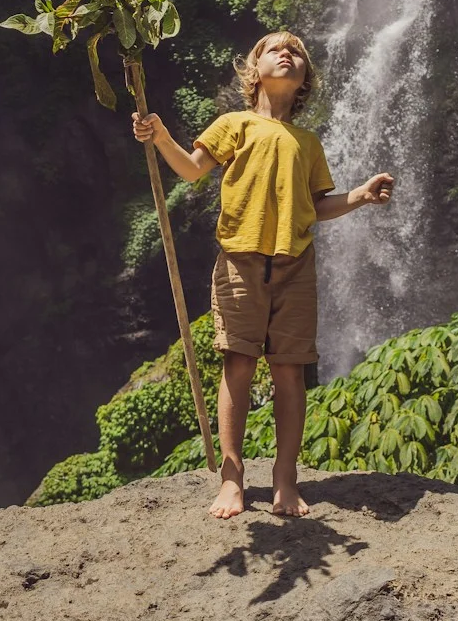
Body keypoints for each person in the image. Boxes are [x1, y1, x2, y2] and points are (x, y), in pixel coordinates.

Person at [132, 31, 394, 518]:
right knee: (239, 366)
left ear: (304, 81)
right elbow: (191, 170)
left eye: (296, 51)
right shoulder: (236, 124)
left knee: (290, 372)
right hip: (240, 261)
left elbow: (316, 206)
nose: (287, 53)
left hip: (296, 264)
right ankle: (232, 480)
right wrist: (161, 135)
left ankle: (285, 480)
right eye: (275, 48)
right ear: (254, 73)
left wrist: (358, 196)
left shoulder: (308, 143)